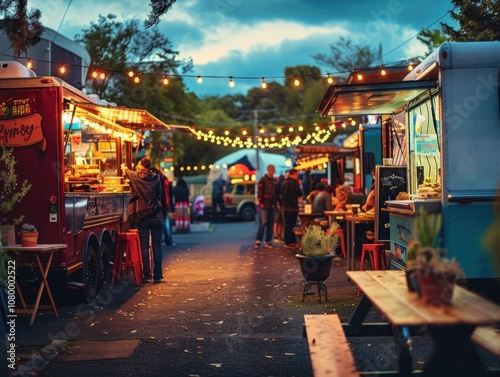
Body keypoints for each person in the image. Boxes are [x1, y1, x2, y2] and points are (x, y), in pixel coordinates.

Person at [123, 158, 164, 284]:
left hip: (142, 216)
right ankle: (158, 274)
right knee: (157, 246)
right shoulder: (157, 177)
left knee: (144, 246)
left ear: (140, 165)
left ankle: (147, 274)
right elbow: (159, 195)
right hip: (157, 215)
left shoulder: (136, 177)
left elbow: (127, 171)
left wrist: (123, 166)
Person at [255, 164, 277, 249]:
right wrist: (261, 202)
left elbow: (276, 192)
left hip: (272, 205)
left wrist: (276, 202)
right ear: (268, 170)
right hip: (265, 204)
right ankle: (258, 240)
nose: (272, 171)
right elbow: (260, 191)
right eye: (271, 169)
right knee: (263, 222)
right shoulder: (263, 180)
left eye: (273, 169)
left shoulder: (274, 181)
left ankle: (268, 241)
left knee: (270, 223)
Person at [151, 167, 174, 246]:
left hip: (160, 204)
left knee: (160, 223)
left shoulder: (157, 179)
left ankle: (160, 240)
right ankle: (169, 240)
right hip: (165, 204)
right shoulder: (165, 179)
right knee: (166, 223)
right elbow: (170, 192)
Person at [280, 168, 303, 248]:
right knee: (291, 225)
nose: (297, 176)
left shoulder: (284, 182)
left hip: (285, 207)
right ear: (293, 174)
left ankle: (289, 241)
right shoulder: (294, 183)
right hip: (292, 207)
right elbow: (300, 193)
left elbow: (280, 194)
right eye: (297, 174)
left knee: (287, 224)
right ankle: (290, 242)